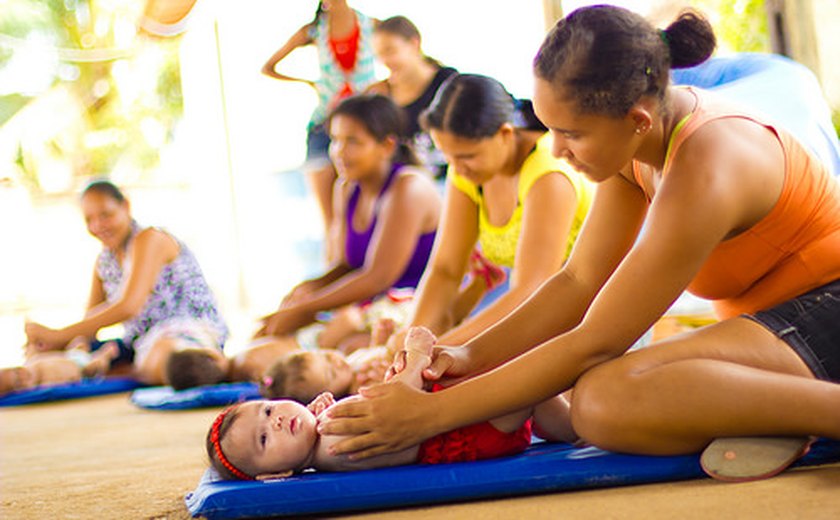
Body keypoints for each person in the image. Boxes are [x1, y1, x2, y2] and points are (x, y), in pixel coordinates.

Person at [318, 6, 840, 483]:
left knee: (602, 399)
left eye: (570, 133)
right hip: (773, 326)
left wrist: (428, 416)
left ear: (636, 118)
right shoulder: (636, 144)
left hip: (825, 312)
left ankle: (822, 414)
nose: (556, 150)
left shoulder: (709, 161)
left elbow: (598, 339)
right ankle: (776, 410)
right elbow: (577, 281)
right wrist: (466, 354)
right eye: (549, 130)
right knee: (599, 396)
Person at [234, 94, 441, 371]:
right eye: (335, 139)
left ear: (387, 145)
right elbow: (346, 266)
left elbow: (378, 276)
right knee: (264, 340)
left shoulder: (408, 187)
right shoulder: (346, 188)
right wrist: (305, 292)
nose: (339, 152)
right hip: (371, 307)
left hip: (416, 306)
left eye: (353, 141)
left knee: (343, 348)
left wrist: (305, 308)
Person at [386, 73, 594, 348]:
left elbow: (530, 292)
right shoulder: (466, 173)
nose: (457, 169)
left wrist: (438, 350)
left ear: (505, 133)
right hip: (531, 319)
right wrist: (412, 342)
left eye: (467, 156)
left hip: (588, 319)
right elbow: (446, 269)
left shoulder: (548, 174)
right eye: (447, 157)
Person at [206, 327, 576, 479]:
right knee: (524, 376)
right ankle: (578, 426)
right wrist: (414, 355)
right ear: (275, 476)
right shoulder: (333, 439)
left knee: (533, 395)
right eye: (264, 440)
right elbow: (398, 406)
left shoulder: (324, 443)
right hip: (471, 431)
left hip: (462, 425)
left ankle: (571, 427)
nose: (273, 423)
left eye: (268, 410)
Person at [24, 180, 229, 389]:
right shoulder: (104, 261)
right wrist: (58, 343)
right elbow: (91, 322)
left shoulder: (150, 238)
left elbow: (129, 306)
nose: (97, 226)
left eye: (105, 215)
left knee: (166, 358)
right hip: (139, 343)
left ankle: (121, 371)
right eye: (89, 219)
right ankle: (114, 369)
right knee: (46, 357)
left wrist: (58, 334)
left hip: (186, 333)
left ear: (126, 206)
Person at [262, 0, 378, 261]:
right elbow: (268, 67)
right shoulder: (313, 31)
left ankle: (365, 287)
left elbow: (400, 53)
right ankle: (336, 292)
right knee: (332, 223)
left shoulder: (371, 26)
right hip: (324, 127)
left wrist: (379, 87)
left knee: (366, 215)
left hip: (365, 128)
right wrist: (308, 83)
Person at [366, 15, 458, 179]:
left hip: (454, 181)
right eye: (379, 55)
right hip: (413, 190)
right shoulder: (383, 96)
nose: (385, 62)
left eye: (390, 50)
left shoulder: (450, 83)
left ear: (414, 44)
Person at [0, 340, 118, 396]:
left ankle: (84, 350)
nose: (21, 374)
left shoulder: (30, 362)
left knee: (80, 342)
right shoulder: (43, 384)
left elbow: (32, 351)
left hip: (70, 356)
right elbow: (60, 388)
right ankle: (105, 354)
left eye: (16, 370)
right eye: (18, 382)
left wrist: (32, 344)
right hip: (82, 369)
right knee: (95, 365)